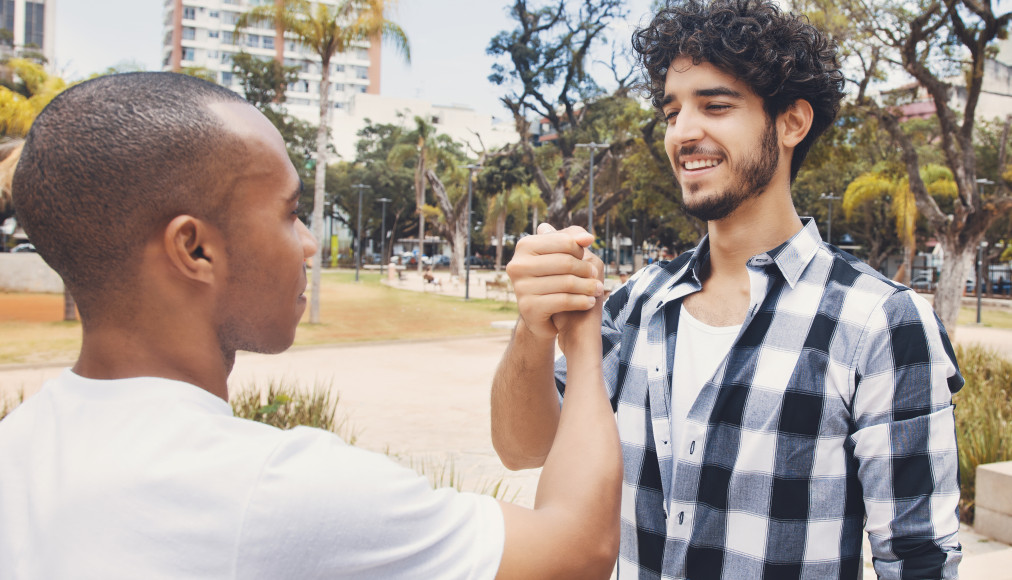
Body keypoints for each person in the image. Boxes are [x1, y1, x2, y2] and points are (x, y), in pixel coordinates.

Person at [0, 72, 621, 579]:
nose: (308, 245)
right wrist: (582, 339)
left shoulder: (19, 446)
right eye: (291, 213)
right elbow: (577, 550)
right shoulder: (274, 490)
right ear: (194, 250)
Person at [490, 1, 963, 578]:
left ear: (791, 122)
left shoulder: (879, 321)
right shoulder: (635, 304)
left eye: (715, 105)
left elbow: (917, 560)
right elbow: (523, 448)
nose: (684, 133)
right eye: (672, 112)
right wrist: (532, 331)